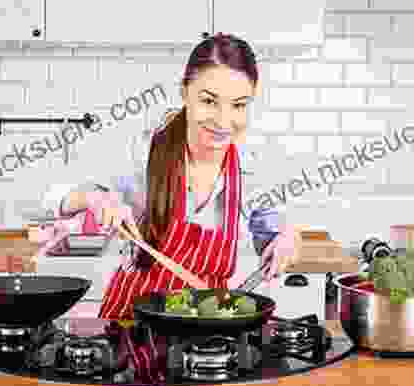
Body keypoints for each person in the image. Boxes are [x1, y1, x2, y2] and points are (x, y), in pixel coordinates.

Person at [45, 33, 299, 320]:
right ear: (185, 92)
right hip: (133, 323)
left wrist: (285, 241)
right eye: (209, 101)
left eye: (238, 105)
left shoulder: (251, 170)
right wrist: (97, 197)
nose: (223, 120)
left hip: (206, 329)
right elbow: (53, 197)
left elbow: (273, 234)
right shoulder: (143, 151)